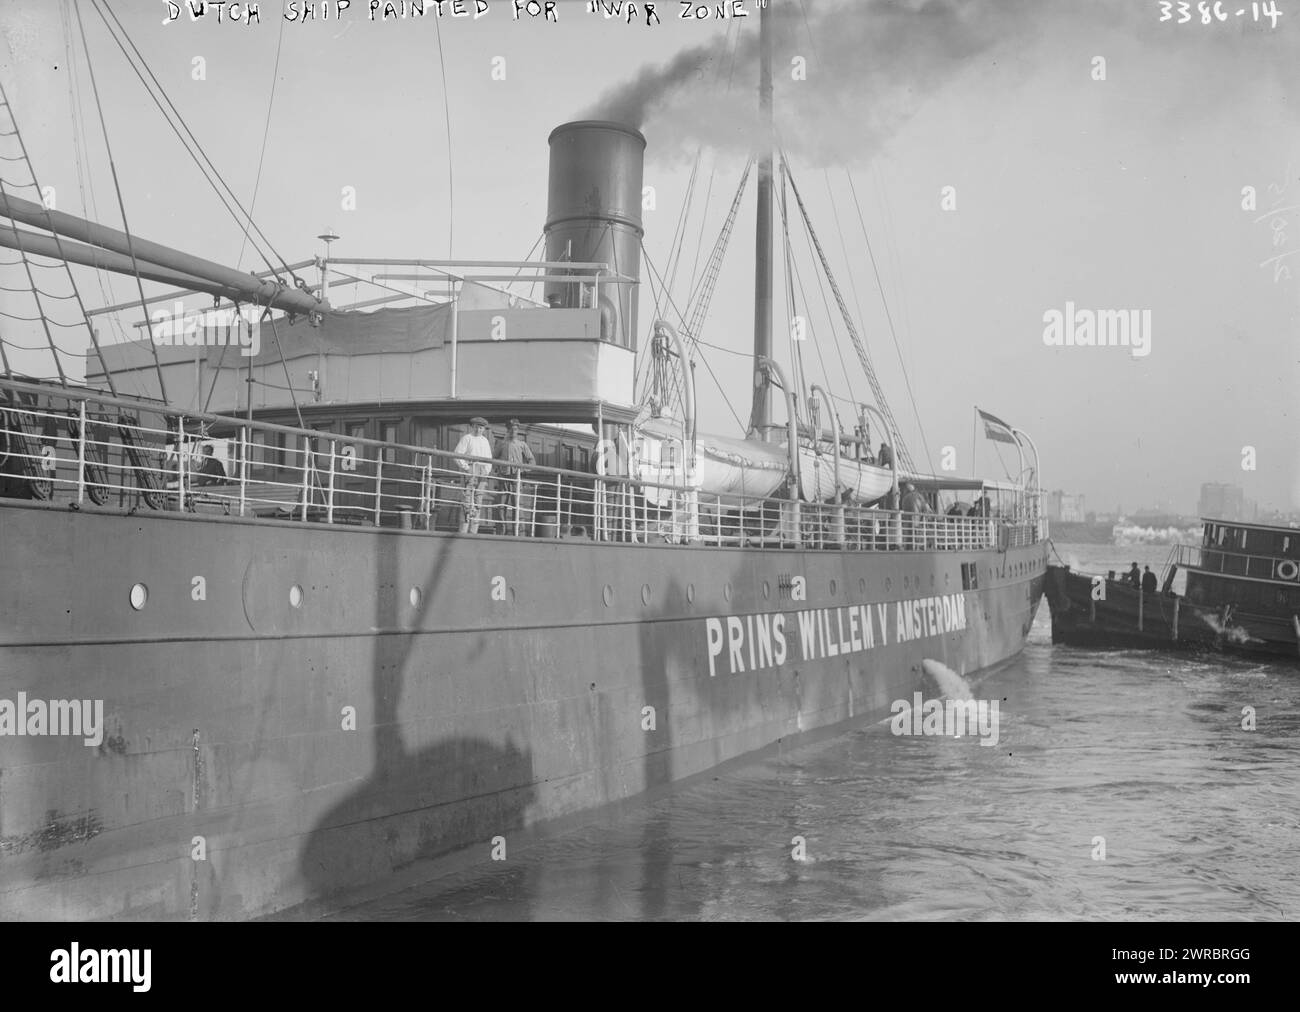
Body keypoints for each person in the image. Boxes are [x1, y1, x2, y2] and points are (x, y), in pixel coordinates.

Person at [494, 419, 536, 533]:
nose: (513, 431)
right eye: (511, 429)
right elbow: (494, 459)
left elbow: (532, 461)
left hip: (516, 479)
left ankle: (518, 532)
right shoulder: (501, 444)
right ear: (507, 430)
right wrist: (497, 469)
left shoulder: (522, 445)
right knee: (501, 506)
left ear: (518, 430)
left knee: (518, 506)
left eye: (515, 429)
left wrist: (523, 469)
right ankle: (500, 532)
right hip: (503, 478)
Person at [454, 416, 494, 533]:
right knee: (467, 500)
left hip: (482, 473)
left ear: (484, 429)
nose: (478, 430)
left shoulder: (485, 441)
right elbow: (457, 454)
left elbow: (489, 458)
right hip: (470, 470)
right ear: (472, 427)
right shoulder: (467, 438)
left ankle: (473, 531)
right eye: (476, 427)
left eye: (481, 428)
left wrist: (486, 470)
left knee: (478, 501)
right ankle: (463, 531)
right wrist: (466, 468)